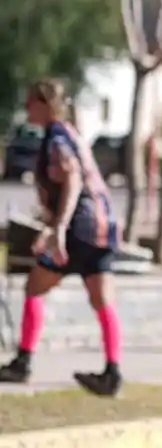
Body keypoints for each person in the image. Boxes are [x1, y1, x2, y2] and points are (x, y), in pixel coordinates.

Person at [0, 79, 123, 397]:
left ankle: (23, 362)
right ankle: (112, 371)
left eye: (31, 103)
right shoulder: (72, 133)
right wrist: (51, 224)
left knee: (34, 286)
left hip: (79, 229)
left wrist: (59, 229)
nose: (27, 108)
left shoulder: (56, 138)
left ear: (44, 105)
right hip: (103, 227)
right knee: (102, 300)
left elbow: (72, 178)